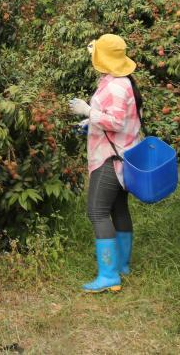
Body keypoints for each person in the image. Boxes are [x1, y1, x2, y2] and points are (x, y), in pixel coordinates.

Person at [68, 33, 142, 293]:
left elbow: (116, 122)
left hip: (110, 158)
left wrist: (88, 111)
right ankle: (122, 265)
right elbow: (119, 118)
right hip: (124, 155)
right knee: (119, 209)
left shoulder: (115, 87)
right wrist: (90, 122)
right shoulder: (124, 81)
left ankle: (109, 275)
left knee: (97, 211)